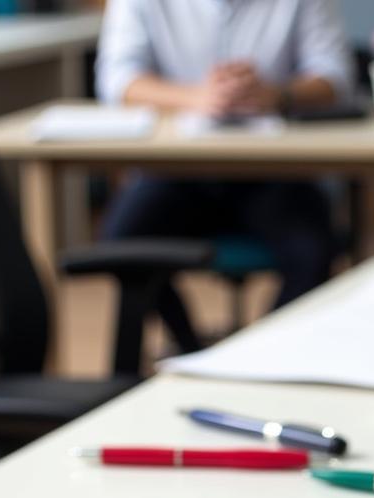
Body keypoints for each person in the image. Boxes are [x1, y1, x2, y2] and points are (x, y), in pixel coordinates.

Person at [95, 0, 354, 347]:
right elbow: (117, 80)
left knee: (315, 249)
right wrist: (197, 97)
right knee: (121, 241)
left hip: (272, 173)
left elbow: (336, 76)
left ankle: (261, 356)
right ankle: (190, 348)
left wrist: (276, 94)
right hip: (176, 171)